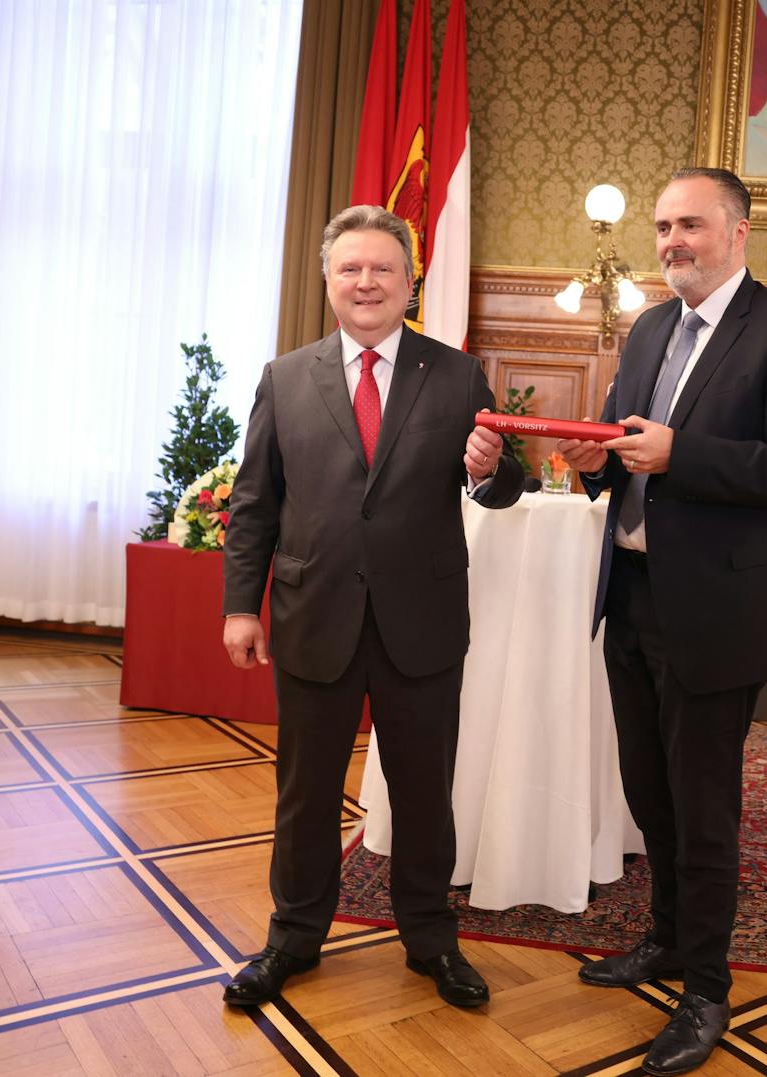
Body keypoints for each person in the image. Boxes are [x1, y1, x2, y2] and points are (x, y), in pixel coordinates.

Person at [556, 167, 767, 1076]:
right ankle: (669, 940)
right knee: (652, 794)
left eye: (690, 224)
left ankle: (707, 989)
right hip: (633, 597)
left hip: (721, 607)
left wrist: (684, 454)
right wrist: (588, 460)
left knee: (704, 806)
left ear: (739, 232)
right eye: (663, 226)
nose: (672, 241)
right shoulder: (646, 327)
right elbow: (619, 452)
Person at [219, 204, 524, 1010]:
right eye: (350, 268)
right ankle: (292, 936)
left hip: (419, 623)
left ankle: (430, 938)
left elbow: (504, 484)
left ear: (408, 280)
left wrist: (492, 468)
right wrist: (240, 608)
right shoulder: (285, 378)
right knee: (305, 790)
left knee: (426, 791)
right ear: (329, 281)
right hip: (313, 614)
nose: (366, 282)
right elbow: (255, 504)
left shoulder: (455, 374)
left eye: (382, 268)